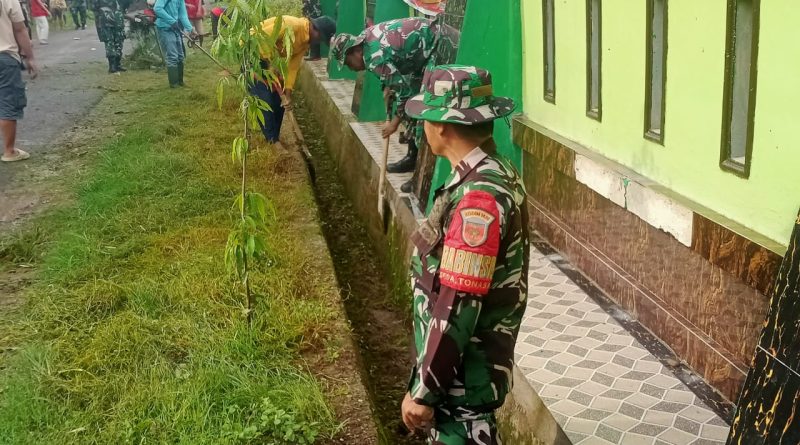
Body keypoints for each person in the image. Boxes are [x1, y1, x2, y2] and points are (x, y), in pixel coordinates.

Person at [400, 65, 528, 445]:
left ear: (441, 125)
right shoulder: (485, 173)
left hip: (460, 384)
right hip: (458, 375)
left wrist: (425, 390)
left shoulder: (478, 199)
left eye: (426, 117)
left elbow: (458, 303)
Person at [331, 17, 440, 192]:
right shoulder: (366, 40)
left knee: (420, 112)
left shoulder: (375, 58)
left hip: (436, 46)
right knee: (409, 105)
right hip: (420, 52)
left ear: (355, 51)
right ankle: (412, 158)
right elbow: (392, 81)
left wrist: (394, 124)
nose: (350, 68)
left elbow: (405, 94)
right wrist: (388, 90)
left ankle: (420, 177)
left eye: (348, 62)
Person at [251, 15, 335, 143]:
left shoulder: (305, 43)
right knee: (264, 97)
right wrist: (270, 66)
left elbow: (292, 68)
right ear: (315, 28)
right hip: (253, 51)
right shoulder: (292, 25)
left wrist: (288, 93)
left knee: (278, 100)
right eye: (320, 38)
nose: (318, 42)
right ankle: (272, 141)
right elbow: (262, 39)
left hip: (272, 61)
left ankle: (275, 137)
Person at [0, 0, 38, 162]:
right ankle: (9, 151)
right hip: (4, 57)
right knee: (8, 101)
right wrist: (30, 58)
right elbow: (20, 29)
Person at [153, 0, 194, 87]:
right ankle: (174, 84)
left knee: (180, 55)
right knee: (172, 56)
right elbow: (157, 8)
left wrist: (190, 28)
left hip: (175, 28)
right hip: (164, 28)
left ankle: (180, 82)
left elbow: (182, 15)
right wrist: (172, 21)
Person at [93, 0, 130, 73]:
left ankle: (115, 65)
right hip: (114, 17)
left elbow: (94, 7)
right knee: (115, 41)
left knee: (113, 41)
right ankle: (114, 65)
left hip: (107, 18)